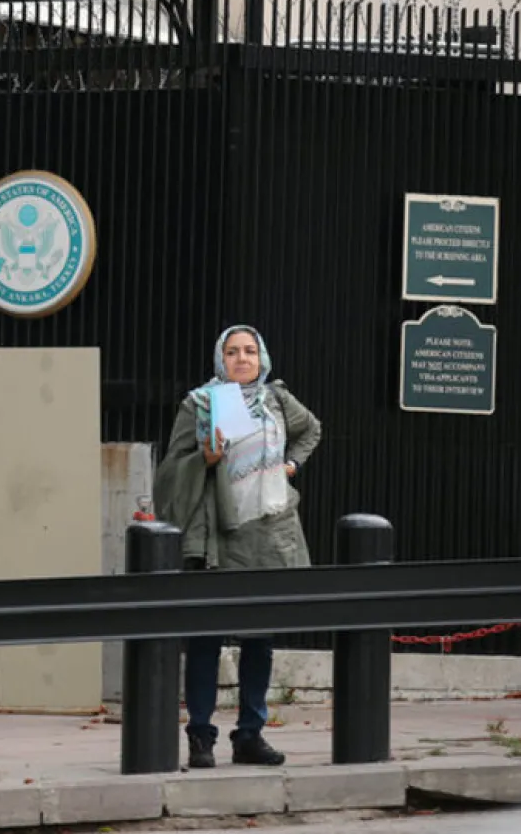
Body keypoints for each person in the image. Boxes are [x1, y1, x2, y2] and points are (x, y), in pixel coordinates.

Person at [153, 324, 322, 770]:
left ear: (261, 358)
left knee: (258, 641)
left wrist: (291, 464)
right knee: (206, 639)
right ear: (220, 359)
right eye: (232, 352)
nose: (242, 359)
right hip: (217, 535)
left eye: (249, 351)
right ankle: (200, 736)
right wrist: (204, 460)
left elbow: (312, 430)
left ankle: (250, 734)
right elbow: (170, 471)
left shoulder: (276, 400)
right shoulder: (201, 403)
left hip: (266, 532)